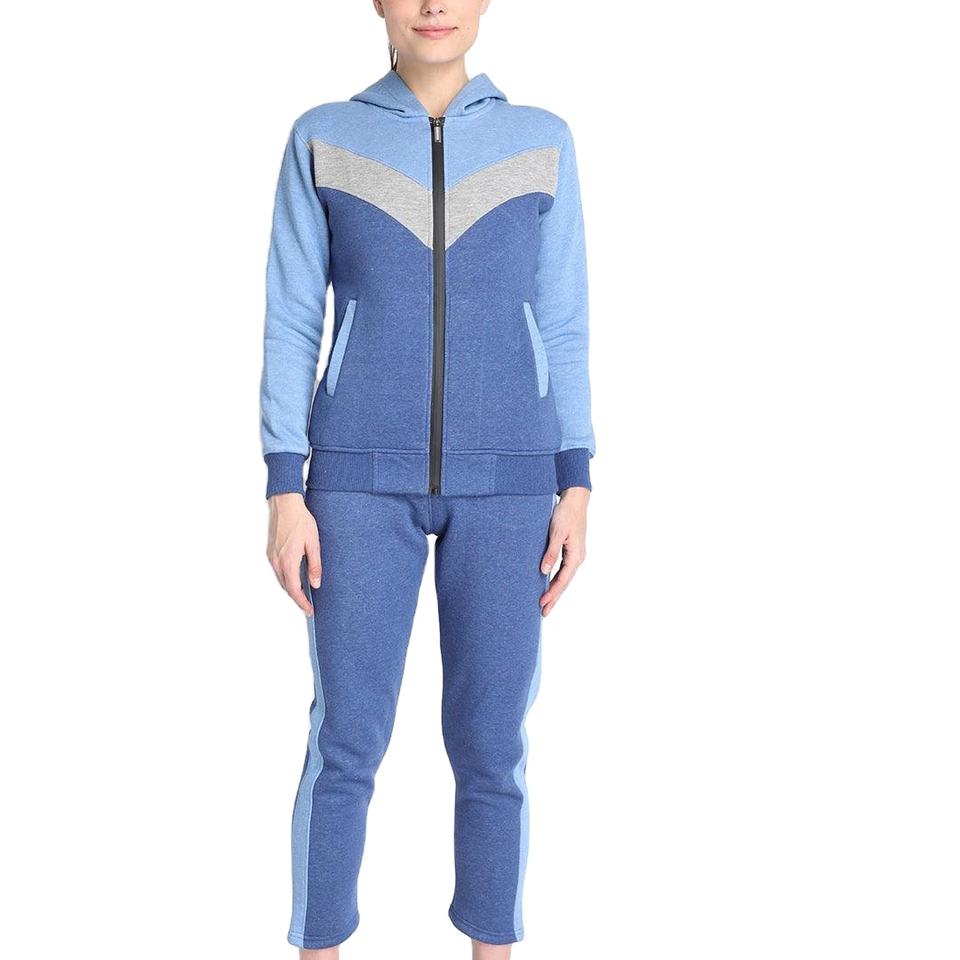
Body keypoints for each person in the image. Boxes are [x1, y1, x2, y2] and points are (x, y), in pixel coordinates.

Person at [260, 2, 596, 956]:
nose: (434, 6)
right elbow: (293, 315)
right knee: (345, 742)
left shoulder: (542, 142)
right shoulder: (324, 137)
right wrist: (285, 485)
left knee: (493, 749)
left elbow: (564, 318)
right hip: (355, 486)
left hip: (514, 485)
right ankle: (319, 947)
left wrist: (575, 478)